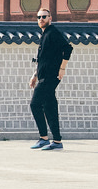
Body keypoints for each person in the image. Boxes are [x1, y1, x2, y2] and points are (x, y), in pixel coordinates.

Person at [29, 8, 74, 151]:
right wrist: (35, 75)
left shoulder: (53, 32)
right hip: (43, 75)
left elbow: (68, 49)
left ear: (50, 18)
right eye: (39, 17)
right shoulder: (44, 35)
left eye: (44, 16)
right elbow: (42, 59)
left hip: (51, 76)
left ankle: (43, 138)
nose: (41, 19)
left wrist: (62, 68)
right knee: (50, 107)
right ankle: (57, 141)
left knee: (35, 104)